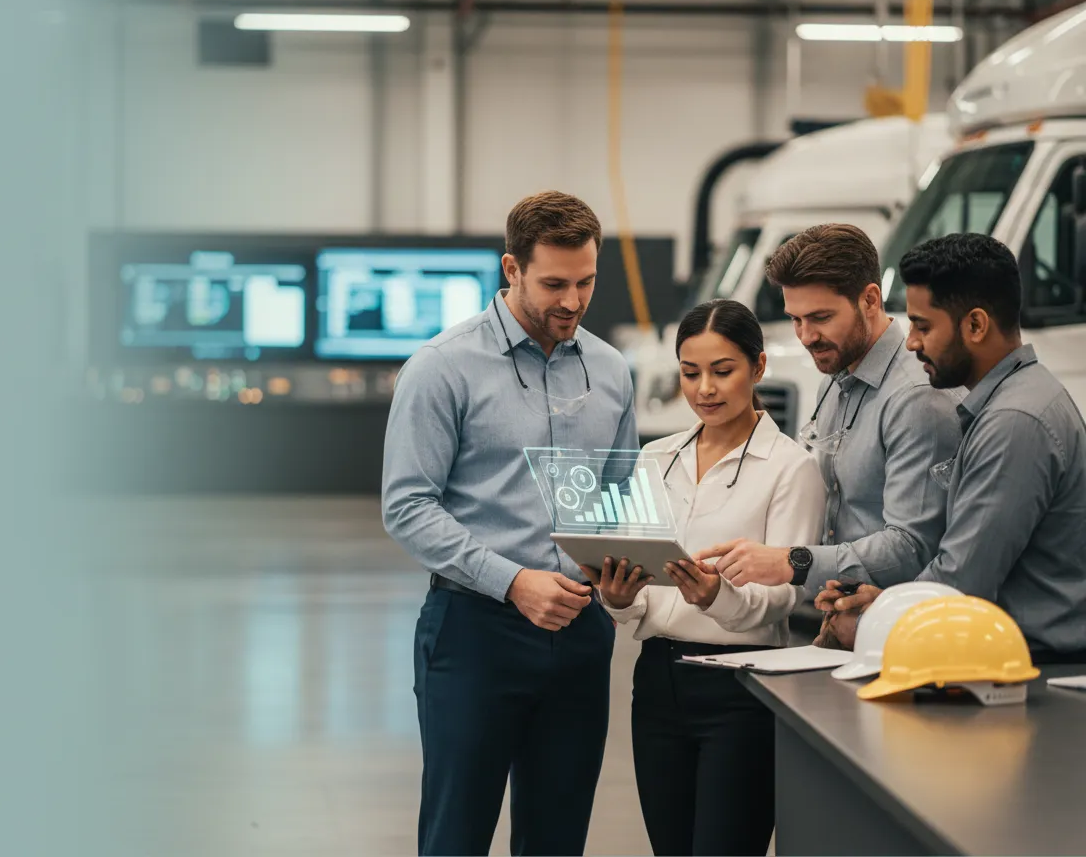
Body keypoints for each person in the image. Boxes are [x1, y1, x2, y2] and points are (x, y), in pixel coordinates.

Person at [382, 191, 638, 856]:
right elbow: (407, 505)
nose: (573, 301)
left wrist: (622, 574)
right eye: (554, 283)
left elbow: (618, 495)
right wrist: (513, 581)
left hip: (581, 634)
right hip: (475, 632)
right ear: (511, 269)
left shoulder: (610, 370)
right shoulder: (442, 368)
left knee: (557, 840)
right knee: (456, 835)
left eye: (585, 282)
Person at [578, 299, 825, 856]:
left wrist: (718, 596)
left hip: (740, 691)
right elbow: (636, 594)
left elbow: (783, 597)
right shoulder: (653, 460)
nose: (705, 389)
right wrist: (617, 600)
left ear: (759, 368)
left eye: (722, 371)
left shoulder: (791, 468)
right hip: (658, 684)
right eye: (691, 373)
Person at [817, 233, 1086, 662]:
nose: (911, 342)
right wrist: (884, 600)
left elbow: (963, 582)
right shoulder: (1009, 403)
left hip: (1037, 673)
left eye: (923, 326)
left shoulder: (1014, 423)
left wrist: (871, 621)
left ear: (976, 326)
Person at [690, 223, 961, 598]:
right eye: (795, 319)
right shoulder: (834, 380)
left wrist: (793, 561)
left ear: (869, 300)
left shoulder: (916, 399)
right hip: (842, 614)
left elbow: (911, 547)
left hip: (900, 626)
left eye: (820, 318)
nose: (805, 337)